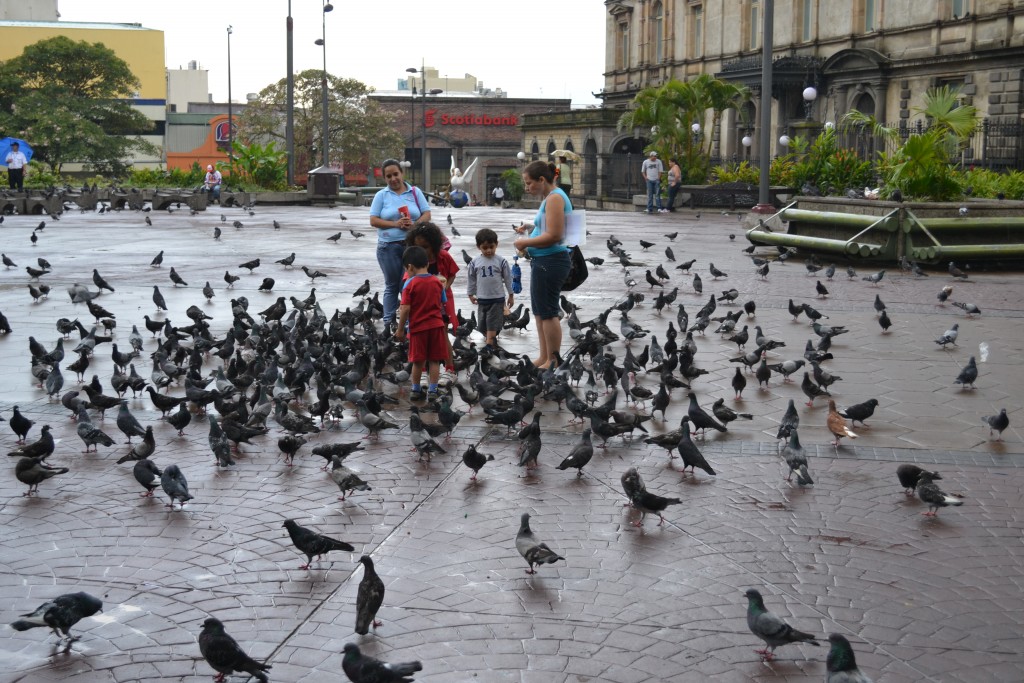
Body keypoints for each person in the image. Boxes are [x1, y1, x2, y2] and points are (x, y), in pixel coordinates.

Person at [513, 160, 571, 369]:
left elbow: (554, 235)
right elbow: (549, 226)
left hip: (551, 260)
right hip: (544, 261)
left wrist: (524, 242)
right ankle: (544, 356)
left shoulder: (555, 198)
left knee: (548, 312)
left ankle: (554, 359)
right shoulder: (550, 197)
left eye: (529, 183)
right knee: (539, 312)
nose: (527, 188)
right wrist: (531, 226)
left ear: (542, 180)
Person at [369, 158, 432, 327]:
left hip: (410, 247)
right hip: (387, 246)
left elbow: (427, 214)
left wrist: (414, 224)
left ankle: (408, 322)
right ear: (385, 178)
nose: (393, 179)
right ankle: (389, 322)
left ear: (402, 174)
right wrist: (395, 224)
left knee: (408, 284)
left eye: (395, 174)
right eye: (388, 176)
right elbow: (373, 220)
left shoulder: (414, 192)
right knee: (391, 285)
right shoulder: (381, 195)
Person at [405, 222, 459, 385]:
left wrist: (445, 287)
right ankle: (421, 370)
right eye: (418, 247)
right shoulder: (413, 260)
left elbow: (452, 274)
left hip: (440, 306)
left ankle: (449, 369)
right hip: (420, 307)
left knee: (442, 334)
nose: (422, 251)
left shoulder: (443, 257)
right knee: (418, 338)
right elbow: (407, 284)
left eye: (426, 247)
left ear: (435, 246)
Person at [395, 245, 448, 402]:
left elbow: (405, 308)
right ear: (427, 263)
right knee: (434, 360)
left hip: (418, 328)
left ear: (410, 267)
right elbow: (442, 302)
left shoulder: (409, 284)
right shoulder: (438, 282)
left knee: (418, 361)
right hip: (436, 326)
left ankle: (416, 390)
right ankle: (433, 390)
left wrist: (399, 330)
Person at [467, 228, 514, 347]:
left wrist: (511, 295)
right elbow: (471, 278)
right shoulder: (474, 262)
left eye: (491, 247)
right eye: (485, 248)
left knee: (492, 325)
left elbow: (508, 278)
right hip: (482, 299)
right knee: (483, 326)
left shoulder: (501, 261)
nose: (488, 250)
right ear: (478, 247)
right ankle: (490, 341)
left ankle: (490, 347)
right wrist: (470, 293)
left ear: (496, 244)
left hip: (497, 299)